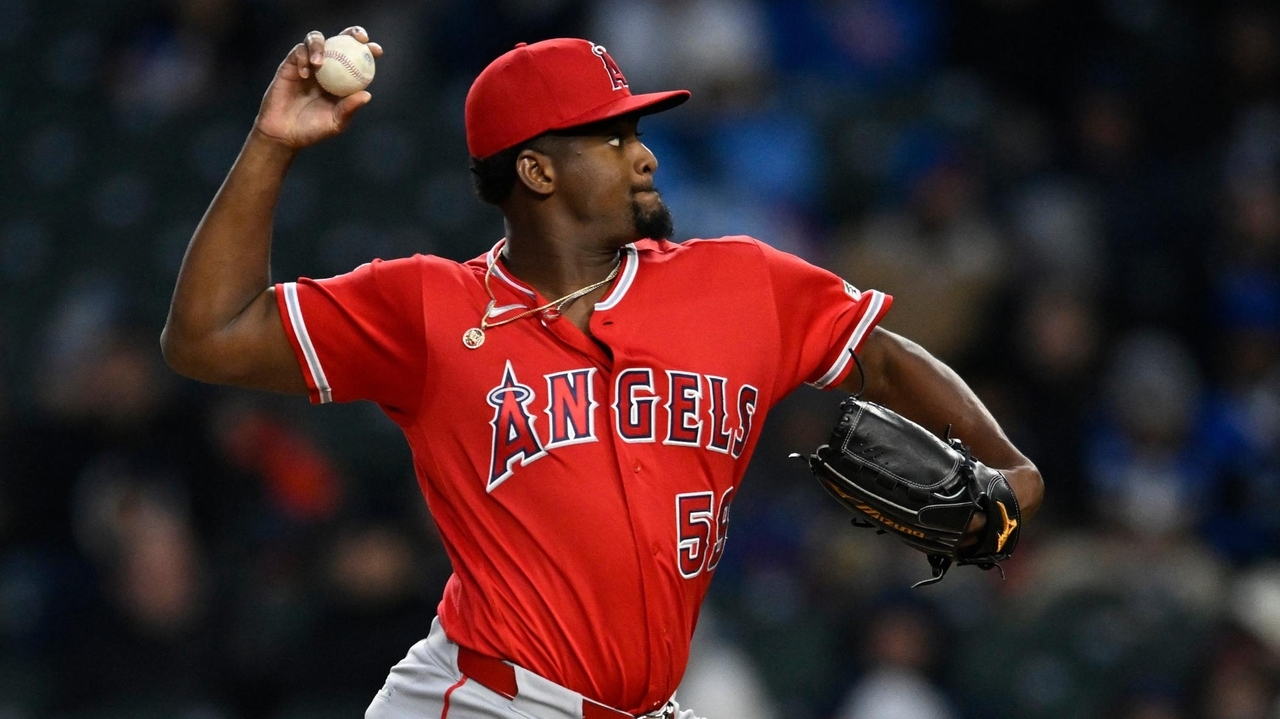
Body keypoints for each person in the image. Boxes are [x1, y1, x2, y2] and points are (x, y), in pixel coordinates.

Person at [161, 28, 1044, 719]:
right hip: (487, 699)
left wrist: (1011, 465)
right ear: (537, 170)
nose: (644, 155)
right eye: (611, 138)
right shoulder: (428, 308)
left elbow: (881, 356)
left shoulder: (739, 283)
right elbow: (208, 335)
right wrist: (274, 144)